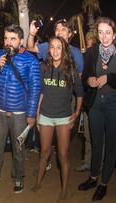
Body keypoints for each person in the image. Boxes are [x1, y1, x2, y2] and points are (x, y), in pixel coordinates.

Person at [0, 24, 41, 193]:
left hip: (19, 113)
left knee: (18, 148)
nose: (8, 42)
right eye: (6, 38)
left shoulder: (30, 59)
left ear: (21, 41)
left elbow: (35, 88)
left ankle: (18, 178)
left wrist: (31, 114)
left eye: (12, 39)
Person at [28, 18, 84, 171]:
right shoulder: (48, 46)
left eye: (64, 29)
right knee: (47, 132)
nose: (60, 31)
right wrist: (32, 33)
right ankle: (47, 158)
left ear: (70, 34)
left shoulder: (77, 54)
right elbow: (30, 47)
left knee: (63, 136)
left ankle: (61, 156)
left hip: (67, 98)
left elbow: (77, 83)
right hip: (49, 96)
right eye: (57, 29)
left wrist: (76, 112)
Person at [32, 36, 83, 200]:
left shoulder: (71, 70)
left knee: (63, 155)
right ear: (48, 50)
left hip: (64, 118)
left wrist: (76, 114)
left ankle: (64, 190)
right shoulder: (43, 68)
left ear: (64, 50)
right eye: (52, 47)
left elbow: (80, 94)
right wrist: (38, 113)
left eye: (58, 47)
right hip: (46, 116)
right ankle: (38, 182)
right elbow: (41, 92)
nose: (55, 50)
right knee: (44, 153)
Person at [78, 16, 116, 201]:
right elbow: (85, 75)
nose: (104, 36)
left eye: (108, 32)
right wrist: (89, 80)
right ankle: (93, 178)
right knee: (96, 142)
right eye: (101, 32)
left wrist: (109, 78)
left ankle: (104, 184)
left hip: (113, 105)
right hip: (95, 105)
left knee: (111, 145)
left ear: (114, 35)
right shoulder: (92, 52)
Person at [75, 31, 98, 173]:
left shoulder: (101, 56)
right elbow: (84, 79)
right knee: (88, 135)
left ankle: (99, 164)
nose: (88, 41)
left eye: (91, 39)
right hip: (89, 103)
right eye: (88, 39)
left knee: (100, 136)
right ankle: (88, 162)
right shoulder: (86, 56)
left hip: (102, 104)